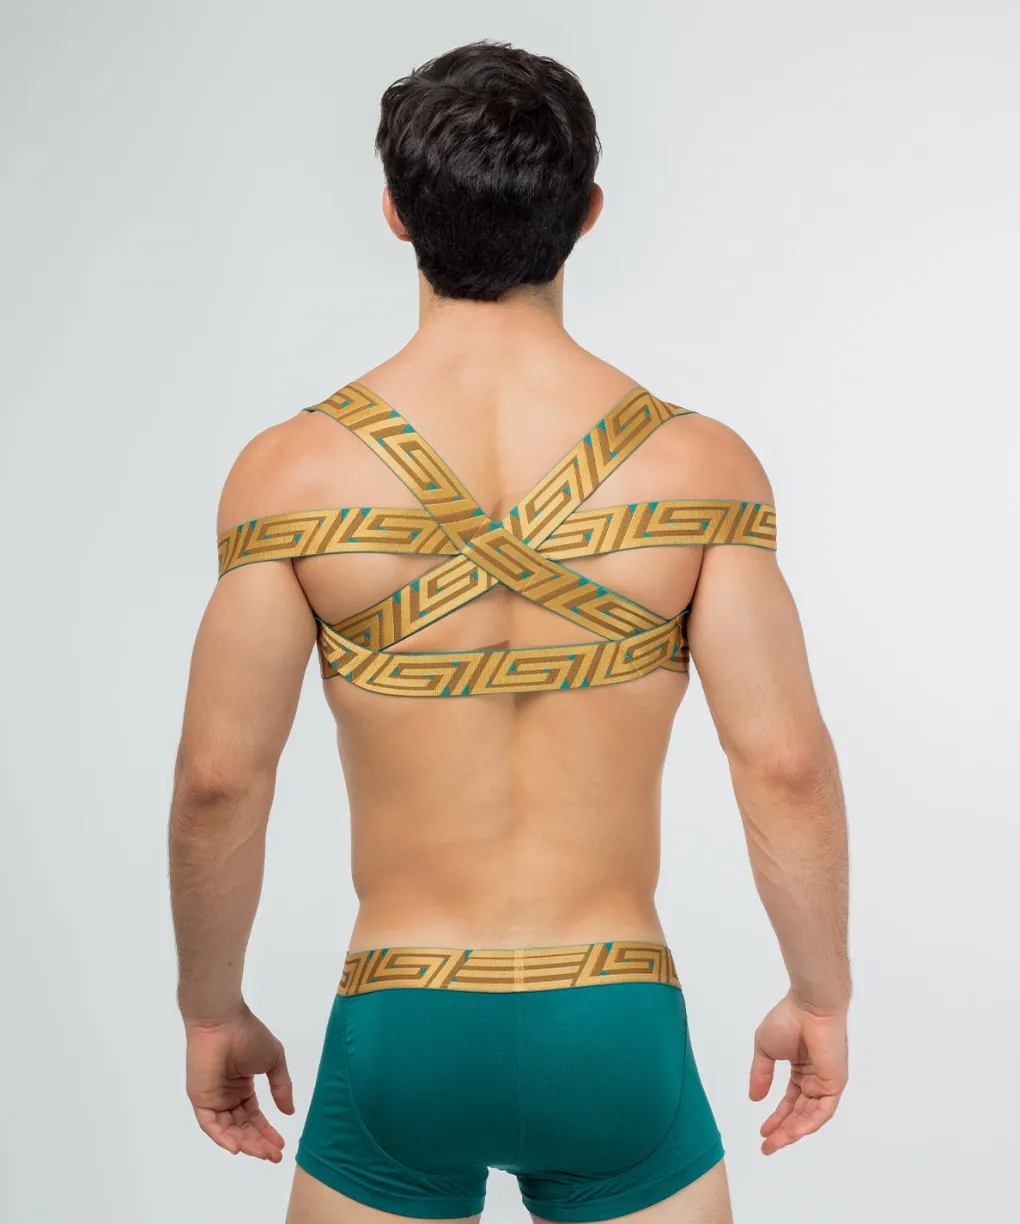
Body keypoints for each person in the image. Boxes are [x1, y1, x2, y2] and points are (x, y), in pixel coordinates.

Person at [169, 40, 850, 1224]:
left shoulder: (290, 477)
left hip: (403, 1010)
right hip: (614, 1012)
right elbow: (783, 763)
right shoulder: (701, 469)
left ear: (396, 213)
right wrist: (820, 995)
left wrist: (210, 1010)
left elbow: (220, 779)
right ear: (587, 212)